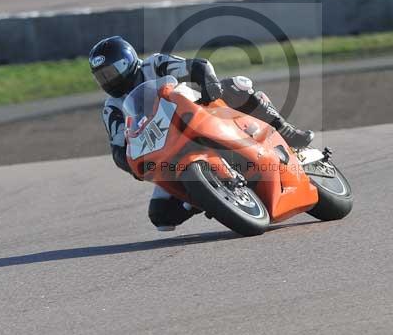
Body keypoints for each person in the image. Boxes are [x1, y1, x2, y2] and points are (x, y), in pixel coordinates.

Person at [90, 35, 314, 231]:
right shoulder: (112, 108)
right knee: (161, 216)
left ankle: (286, 130)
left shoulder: (154, 64)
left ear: (128, 62)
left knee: (237, 87)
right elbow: (119, 148)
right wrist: (132, 166)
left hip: (199, 111)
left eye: (111, 72)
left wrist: (209, 85)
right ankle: (203, 196)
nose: (108, 81)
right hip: (166, 149)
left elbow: (197, 66)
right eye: (102, 77)